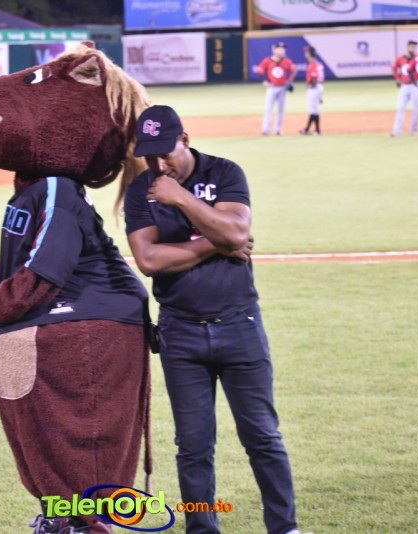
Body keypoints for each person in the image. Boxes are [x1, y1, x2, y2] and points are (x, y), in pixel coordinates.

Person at [123, 105, 305, 534]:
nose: (158, 164)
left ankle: (285, 528)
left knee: (262, 437)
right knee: (193, 446)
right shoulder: (140, 190)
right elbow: (149, 260)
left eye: (165, 152)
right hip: (180, 333)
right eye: (149, 155)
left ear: (184, 139)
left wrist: (182, 199)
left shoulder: (224, 172)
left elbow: (237, 232)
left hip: (239, 324)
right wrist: (217, 242)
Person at [253, 42, 297, 136]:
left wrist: (289, 81)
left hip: (282, 88)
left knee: (281, 110)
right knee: (268, 109)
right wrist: (264, 80)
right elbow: (260, 70)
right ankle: (265, 130)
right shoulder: (267, 60)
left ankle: (278, 130)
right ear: (274, 50)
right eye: (280, 49)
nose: (282, 50)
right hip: (272, 88)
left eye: (283, 49)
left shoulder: (286, 61)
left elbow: (294, 70)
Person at [391, 40, 418, 137]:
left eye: (414, 47)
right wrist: (398, 78)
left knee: (415, 109)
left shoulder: (417, 58)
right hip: (404, 85)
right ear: (407, 47)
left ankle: (413, 130)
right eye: (411, 46)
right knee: (400, 108)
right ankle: (396, 131)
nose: (412, 48)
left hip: (415, 86)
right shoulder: (401, 58)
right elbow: (394, 68)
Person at [299, 46, 324, 136]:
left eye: (306, 52)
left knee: (313, 110)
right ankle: (307, 129)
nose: (305, 53)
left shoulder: (312, 65)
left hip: (314, 88)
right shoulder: (318, 64)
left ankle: (317, 130)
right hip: (319, 87)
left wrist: (311, 86)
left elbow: (314, 78)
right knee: (314, 109)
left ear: (310, 54)